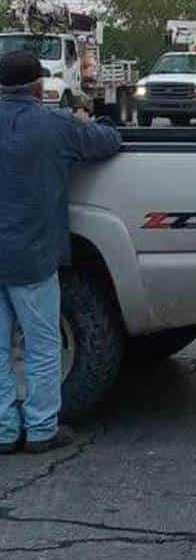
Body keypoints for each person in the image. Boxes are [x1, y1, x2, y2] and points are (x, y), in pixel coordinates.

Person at [0, 51, 122, 454]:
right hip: (33, 257)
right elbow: (108, 141)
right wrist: (94, 120)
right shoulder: (56, 125)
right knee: (42, 344)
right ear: (39, 86)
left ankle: (3, 430)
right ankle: (40, 429)